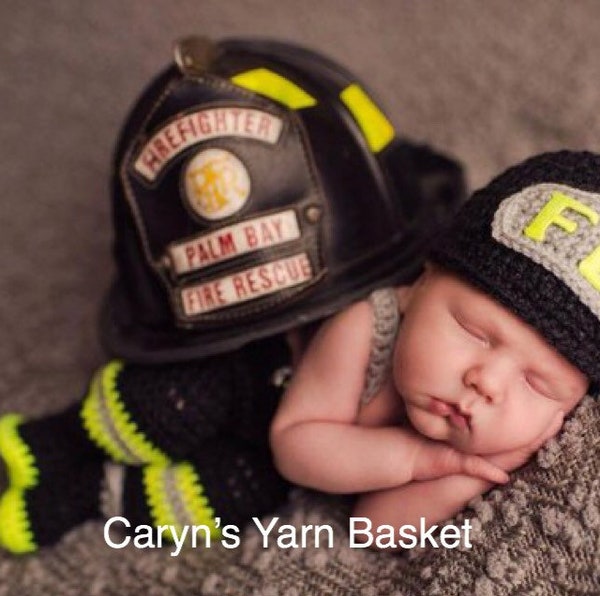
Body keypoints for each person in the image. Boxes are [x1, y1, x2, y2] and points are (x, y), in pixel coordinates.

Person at [0, 37, 465, 553]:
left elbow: (378, 521)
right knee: (174, 399)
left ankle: (90, 492)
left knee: (239, 487)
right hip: (240, 380)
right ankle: (60, 439)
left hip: (266, 439)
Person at [271, 150, 600, 545]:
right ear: (422, 282)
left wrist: (472, 470)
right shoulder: (369, 327)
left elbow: (376, 530)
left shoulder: (519, 435)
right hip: (266, 359)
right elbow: (294, 445)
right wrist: (414, 458)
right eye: (474, 331)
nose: (486, 382)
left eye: (537, 384)